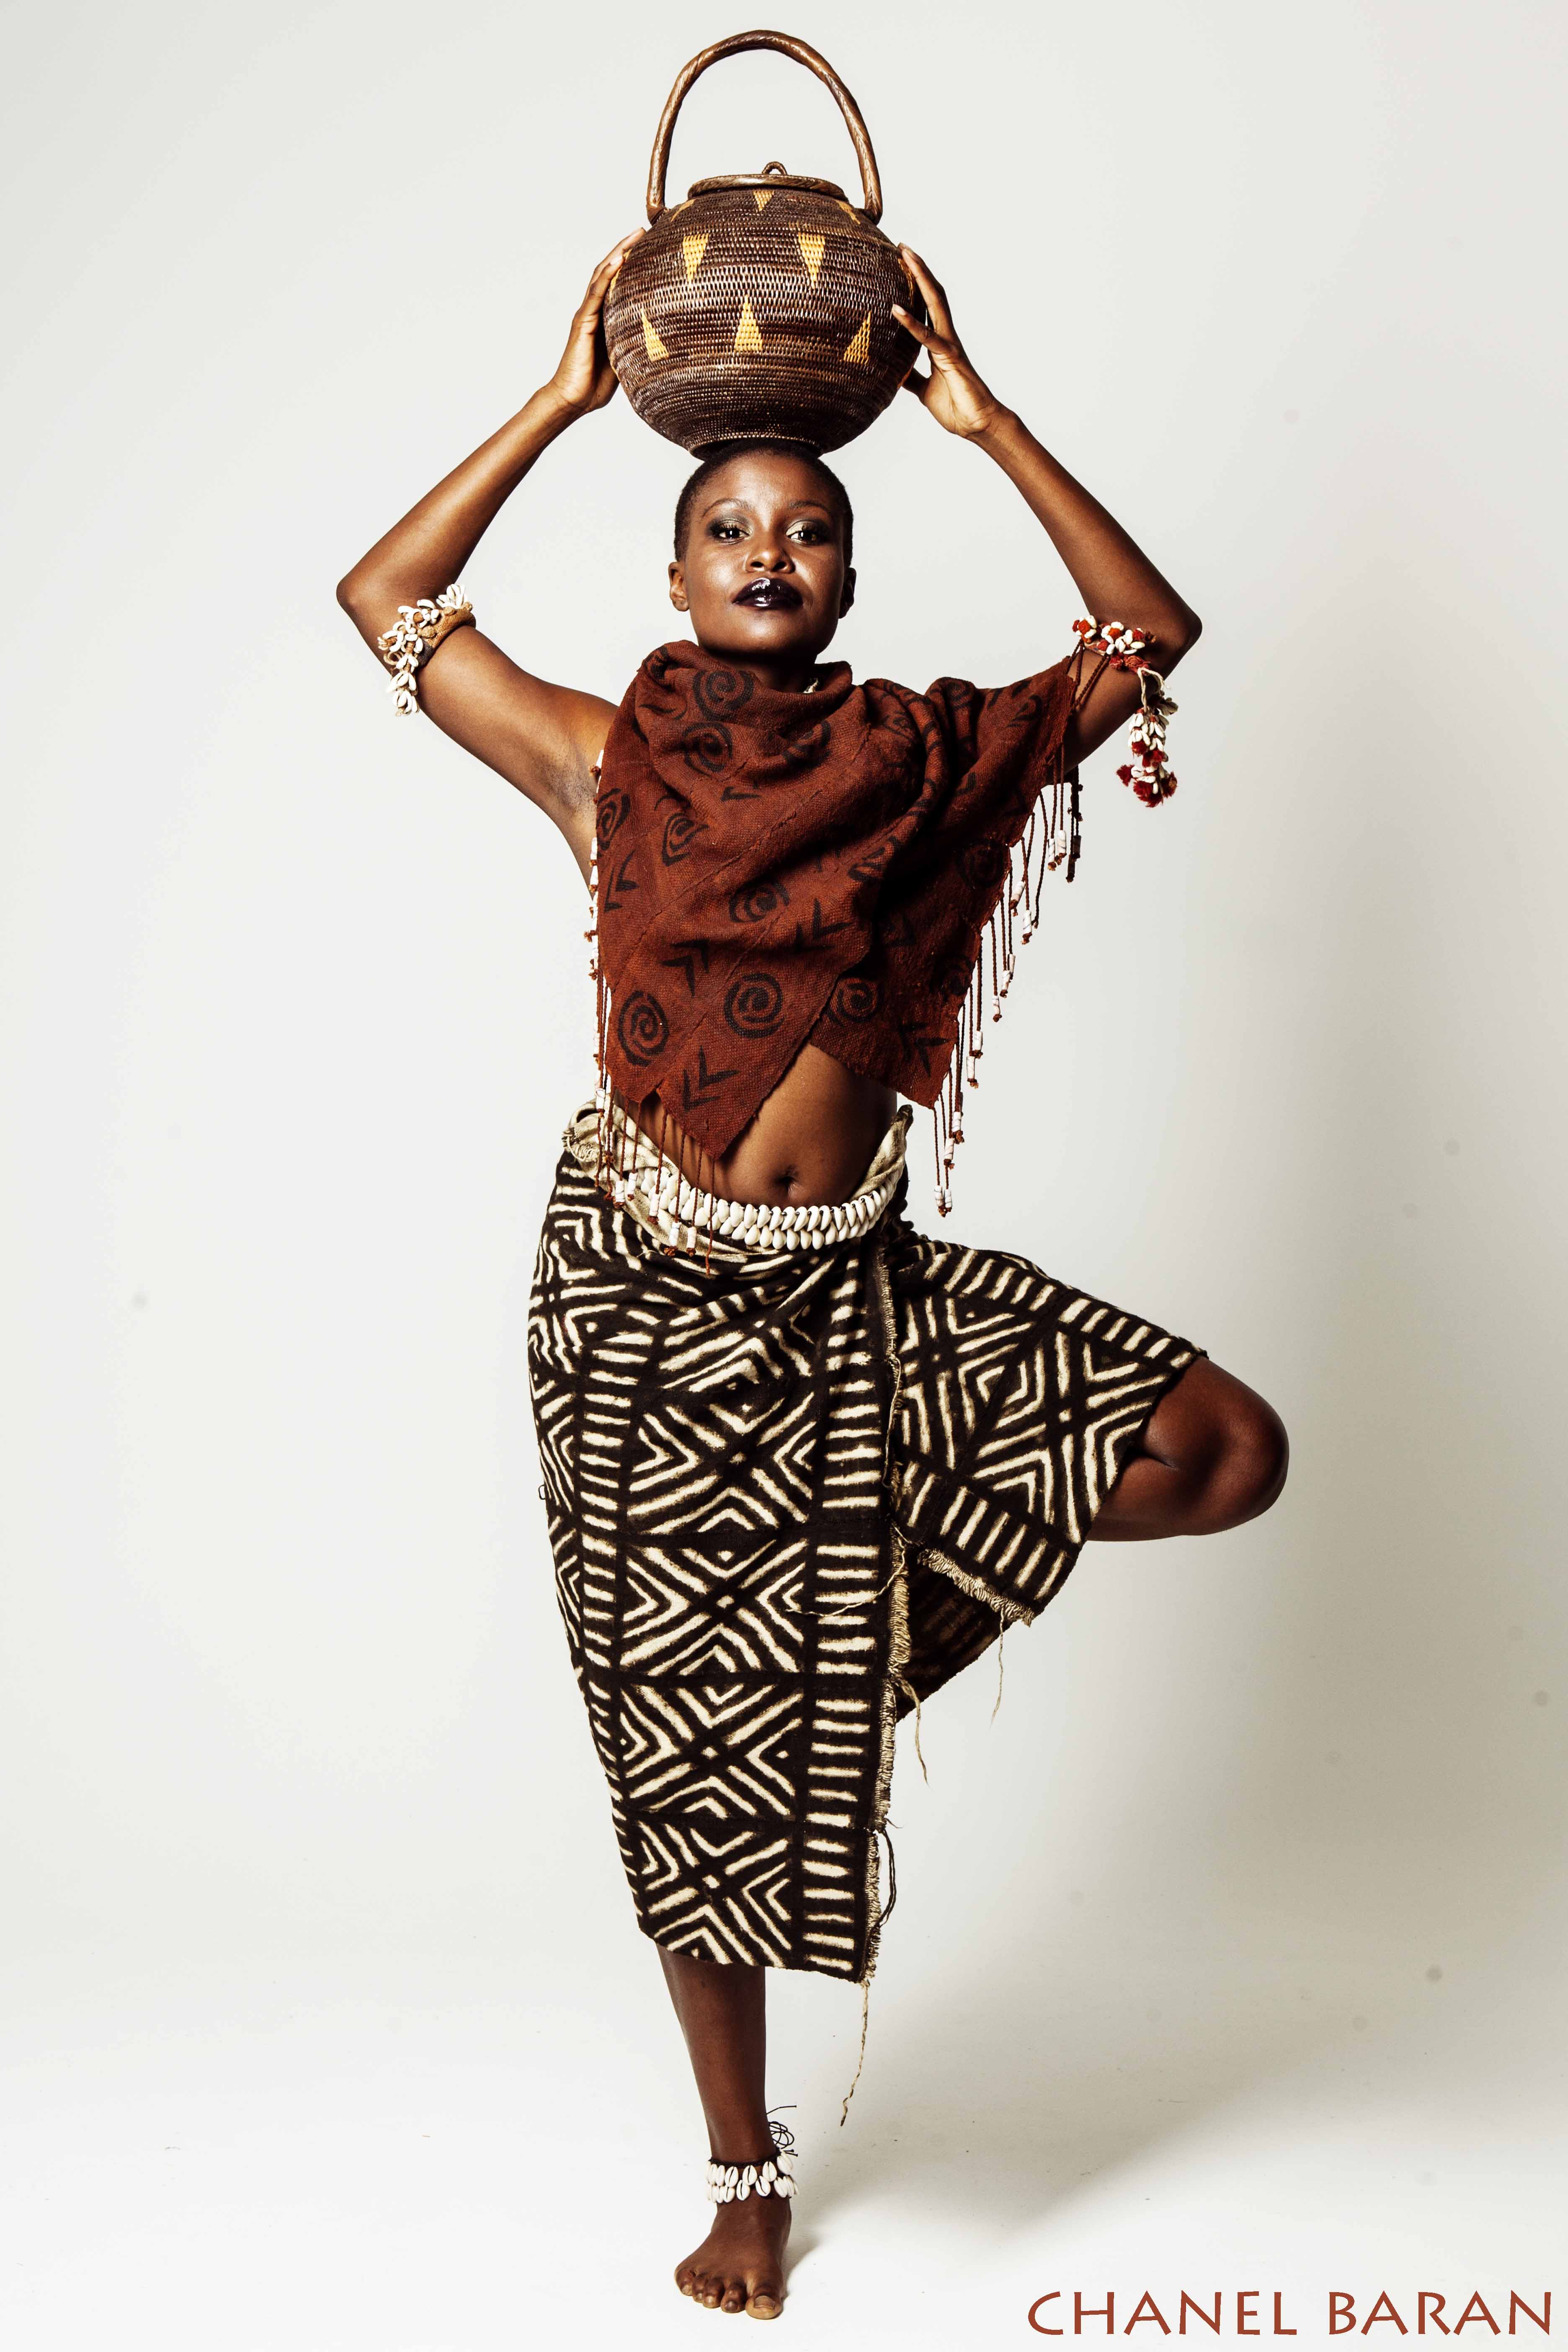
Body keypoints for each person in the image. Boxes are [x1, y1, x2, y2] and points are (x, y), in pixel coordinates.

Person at [338, 233, 1287, 2323]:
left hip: (850, 1303)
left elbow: (1149, 636)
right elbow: (387, 601)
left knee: (1230, 1448)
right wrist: (561, 396)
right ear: (678, 573)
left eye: (809, 529)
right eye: (731, 529)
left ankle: (817, 1663)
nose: (770, 551)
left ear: (851, 575)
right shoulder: (602, 758)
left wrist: (983, 421)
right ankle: (744, 2171)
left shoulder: (931, 765)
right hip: (640, 1320)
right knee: (689, 1760)